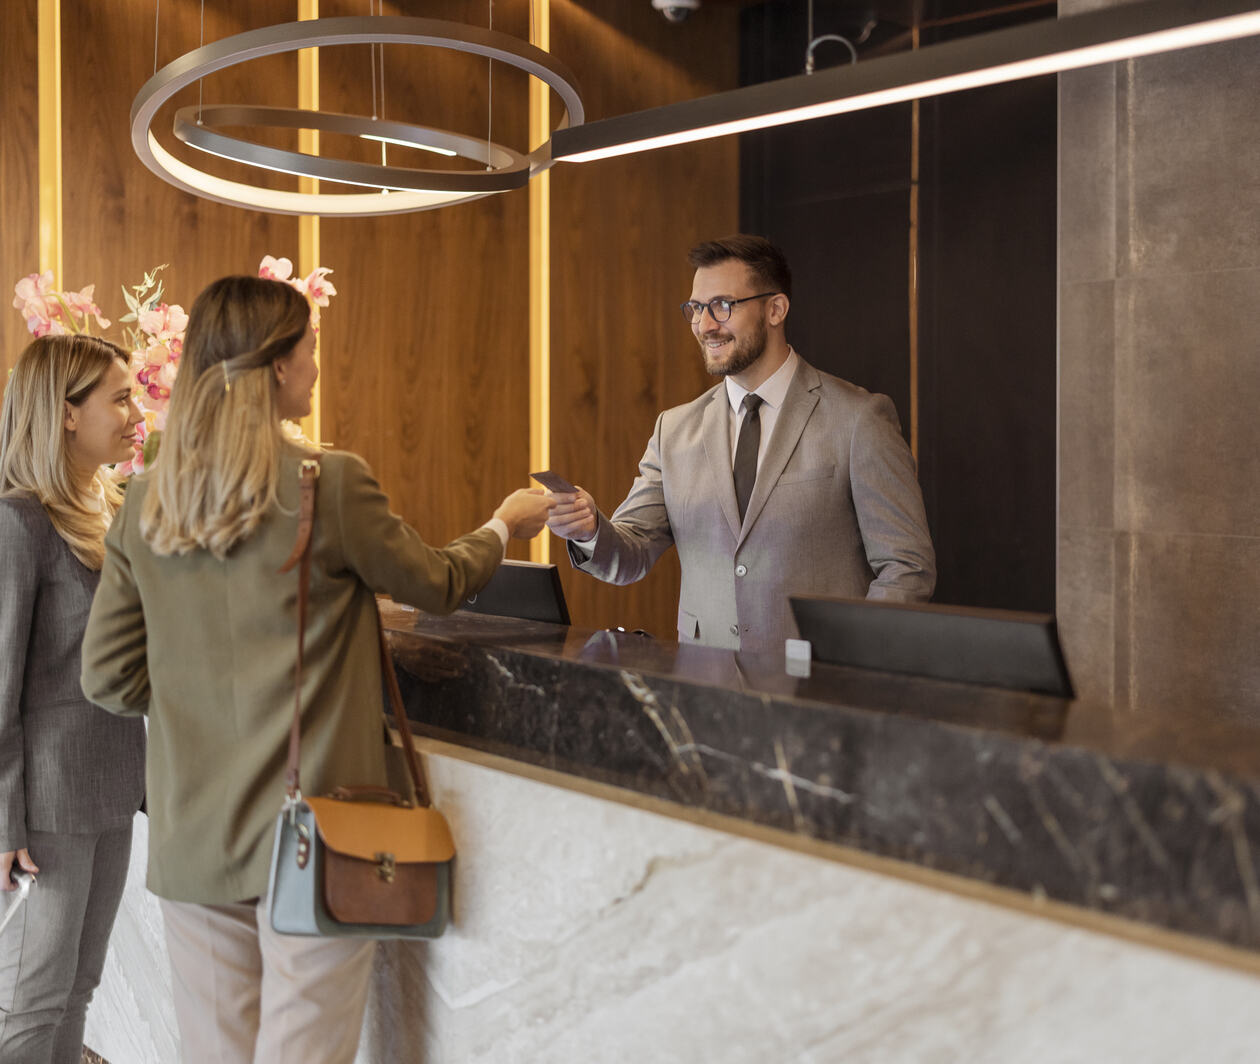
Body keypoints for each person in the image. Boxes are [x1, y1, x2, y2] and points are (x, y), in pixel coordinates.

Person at [79, 276, 553, 1064]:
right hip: (319, 833)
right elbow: (435, 581)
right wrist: (503, 526)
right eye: (309, 352)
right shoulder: (326, 485)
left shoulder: (143, 503)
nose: (315, 370)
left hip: (193, 834)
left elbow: (108, 677)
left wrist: (196, 696)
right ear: (275, 367)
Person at [547, 234, 936, 653]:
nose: (705, 325)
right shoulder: (673, 429)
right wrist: (589, 530)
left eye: (722, 306)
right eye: (696, 309)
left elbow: (906, 568)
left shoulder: (859, 418)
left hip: (817, 690)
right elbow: (630, 554)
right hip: (704, 687)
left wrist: (851, 660)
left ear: (775, 309)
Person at [0, 334, 147, 1063]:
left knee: (79, 989)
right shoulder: (17, 521)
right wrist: (3, 823)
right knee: (32, 1002)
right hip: (46, 807)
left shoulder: (108, 511)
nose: (135, 410)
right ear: (64, 413)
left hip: (114, 788)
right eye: (119, 397)